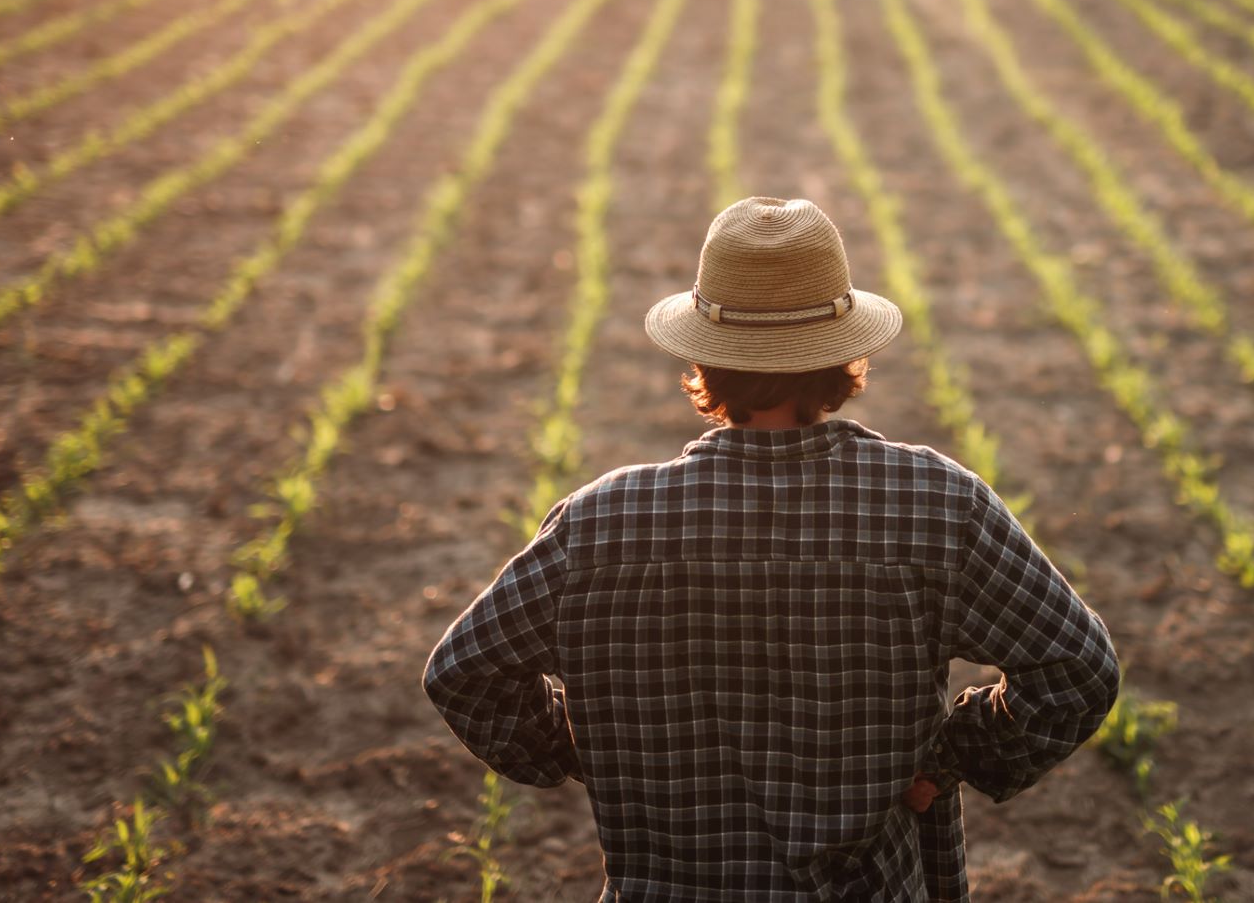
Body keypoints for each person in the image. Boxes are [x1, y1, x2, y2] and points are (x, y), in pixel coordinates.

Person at [423, 197, 1119, 901]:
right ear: (844, 354)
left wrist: (583, 748)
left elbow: (464, 673)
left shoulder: (600, 523)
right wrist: (949, 759)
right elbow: (1078, 670)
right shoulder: (935, 505)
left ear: (703, 354)